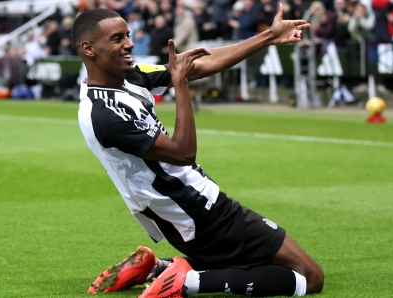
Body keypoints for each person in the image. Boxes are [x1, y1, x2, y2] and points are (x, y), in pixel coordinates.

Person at [72, 6, 322, 298]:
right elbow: (183, 152)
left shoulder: (128, 78)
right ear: (89, 48)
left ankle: (157, 268)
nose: (129, 43)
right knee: (310, 277)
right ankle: (186, 282)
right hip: (201, 211)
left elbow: (199, 65)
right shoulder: (106, 114)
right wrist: (180, 86)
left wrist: (268, 36)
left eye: (127, 35)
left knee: (255, 263)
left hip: (179, 219)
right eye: (117, 38)